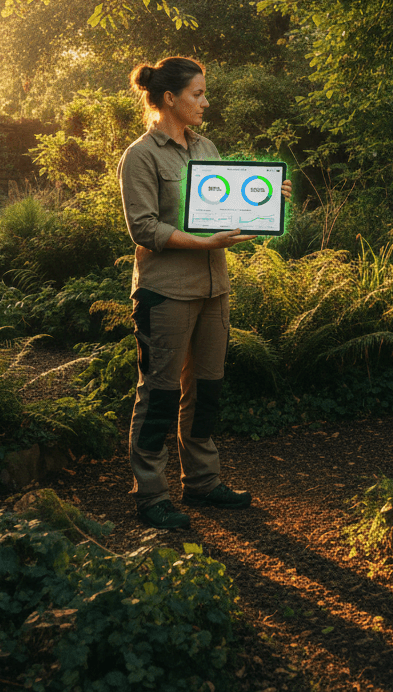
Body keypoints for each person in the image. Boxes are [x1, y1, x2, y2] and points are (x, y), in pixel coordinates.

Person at [118, 56, 291, 529]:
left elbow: (222, 211)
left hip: (215, 289)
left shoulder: (206, 146)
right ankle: (151, 494)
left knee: (207, 389)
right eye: (197, 94)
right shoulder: (141, 155)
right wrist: (202, 242)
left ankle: (202, 482)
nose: (205, 102)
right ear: (170, 98)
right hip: (166, 293)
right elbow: (144, 228)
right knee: (159, 393)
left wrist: (266, 200)